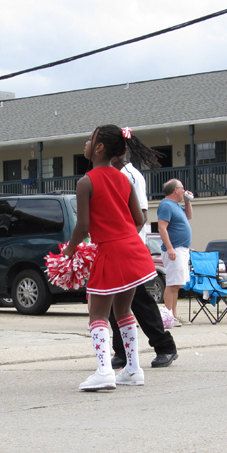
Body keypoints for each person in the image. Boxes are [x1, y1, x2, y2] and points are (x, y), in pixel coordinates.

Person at [64, 125, 157, 391]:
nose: (86, 143)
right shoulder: (124, 179)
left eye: (89, 139)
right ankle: (133, 368)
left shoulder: (86, 181)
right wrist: (123, 235)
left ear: (99, 147)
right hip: (133, 251)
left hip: (109, 252)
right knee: (123, 310)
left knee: (97, 313)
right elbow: (139, 219)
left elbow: (82, 228)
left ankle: (105, 371)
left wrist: (69, 250)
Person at [109, 149, 177, 369]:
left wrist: (125, 240)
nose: (87, 145)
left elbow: (141, 215)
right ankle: (121, 352)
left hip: (129, 247)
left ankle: (164, 346)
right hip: (112, 247)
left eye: (93, 141)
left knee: (139, 300)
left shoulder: (132, 175)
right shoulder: (108, 174)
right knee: (112, 301)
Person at [157, 179, 193, 327]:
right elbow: (162, 228)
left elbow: (188, 216)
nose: (184, 190)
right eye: (182, 188)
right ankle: (167, 316)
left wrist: (187, 201)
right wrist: (170, 248)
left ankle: (174, 315)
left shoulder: (176, 206)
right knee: (172, 283)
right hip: (175, 249)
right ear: (175, 190)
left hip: (182, 249)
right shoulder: (166, 205)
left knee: (177, 284)